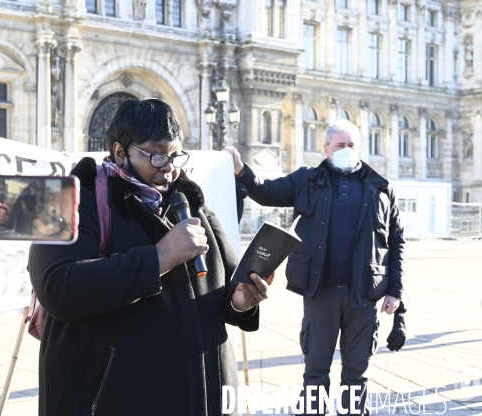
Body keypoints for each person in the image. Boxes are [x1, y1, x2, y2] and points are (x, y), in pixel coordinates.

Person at [29, 98, 270, 416]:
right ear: (120, 152)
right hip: (116, 399)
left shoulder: (192, 204)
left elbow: (223, 283)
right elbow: (58, 286)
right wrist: (159, 257)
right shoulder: (73, 198)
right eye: (155, 154)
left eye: (174, 155)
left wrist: (240, 302)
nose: (168, 166)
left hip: (205, 397)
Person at [226, 119, 405, 415]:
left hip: (365, 298)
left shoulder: (381, 188)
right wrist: (241, 170)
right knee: (316, 373)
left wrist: (395, 293)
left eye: (351, 146)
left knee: (356, 378)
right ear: (326, 149)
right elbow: (267, 191)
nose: (346, 150)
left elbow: (397, 243)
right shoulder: (306, 180)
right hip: (321, 294)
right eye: (340, 145)